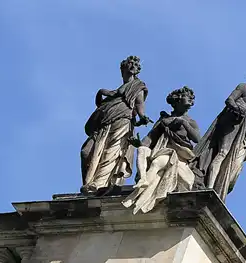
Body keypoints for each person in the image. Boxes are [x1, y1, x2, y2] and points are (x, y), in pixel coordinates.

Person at [192, 63, 246, 199]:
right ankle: (209, 187)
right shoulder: (244, 87)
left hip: (244, 135)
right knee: (222, 153)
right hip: (232, 121)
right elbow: (229, 100)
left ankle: (220, 191)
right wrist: (239, 109)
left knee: (234, 169)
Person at [81, 56, 153, 195]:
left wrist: (142, 117)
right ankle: (88, 182)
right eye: (129, 65)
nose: (132, 67)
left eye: (135, 65)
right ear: (122, 70)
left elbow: (139, 104)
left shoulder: (138, 87)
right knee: (86, 152)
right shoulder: (116, 90)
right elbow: (101, 102)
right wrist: (101, 93)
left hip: (122, 121)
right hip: (104, 124)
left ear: (137, 70)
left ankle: (99, 183)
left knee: (111, 152)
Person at [122, 87, 200, 214]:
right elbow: (150, 138)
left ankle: (140, 191)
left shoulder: (190, 121)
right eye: (188, 97)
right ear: (178, 99)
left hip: (179, 155)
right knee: (147, 154)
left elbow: (197, 139)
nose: (191, 100)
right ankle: (143, 180)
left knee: (157, 163)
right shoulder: (164, 121)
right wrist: (139, 144)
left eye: (192, 98)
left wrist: (183, 123)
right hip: (162, 150)